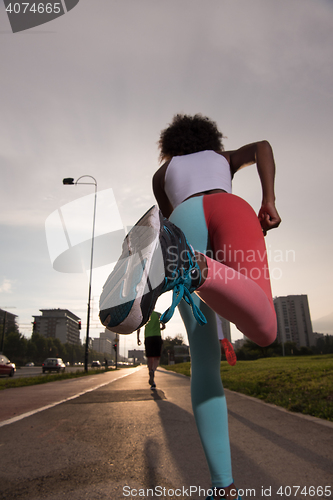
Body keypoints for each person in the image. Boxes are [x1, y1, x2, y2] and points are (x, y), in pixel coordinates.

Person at [99, 113, 281, 500]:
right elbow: (263, 147)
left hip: (181, 223)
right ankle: (197, 266)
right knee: (264, 330)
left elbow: (163, 223)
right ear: (210, 139)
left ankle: (224, 486)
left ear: (171, 145)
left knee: (204, 363)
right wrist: (268, 199)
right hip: (231, 208)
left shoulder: (161, 174)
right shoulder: (224, 158)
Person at [137, 310, 165, 389]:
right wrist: (160, 328)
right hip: (157, 337)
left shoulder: (144, 314)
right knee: (157, 357)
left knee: (150, 358)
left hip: (148, 338)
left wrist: (138, 338)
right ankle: (153, 370)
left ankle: (150, 374)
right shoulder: (158, 314)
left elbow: (138, 327)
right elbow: (163, 326)